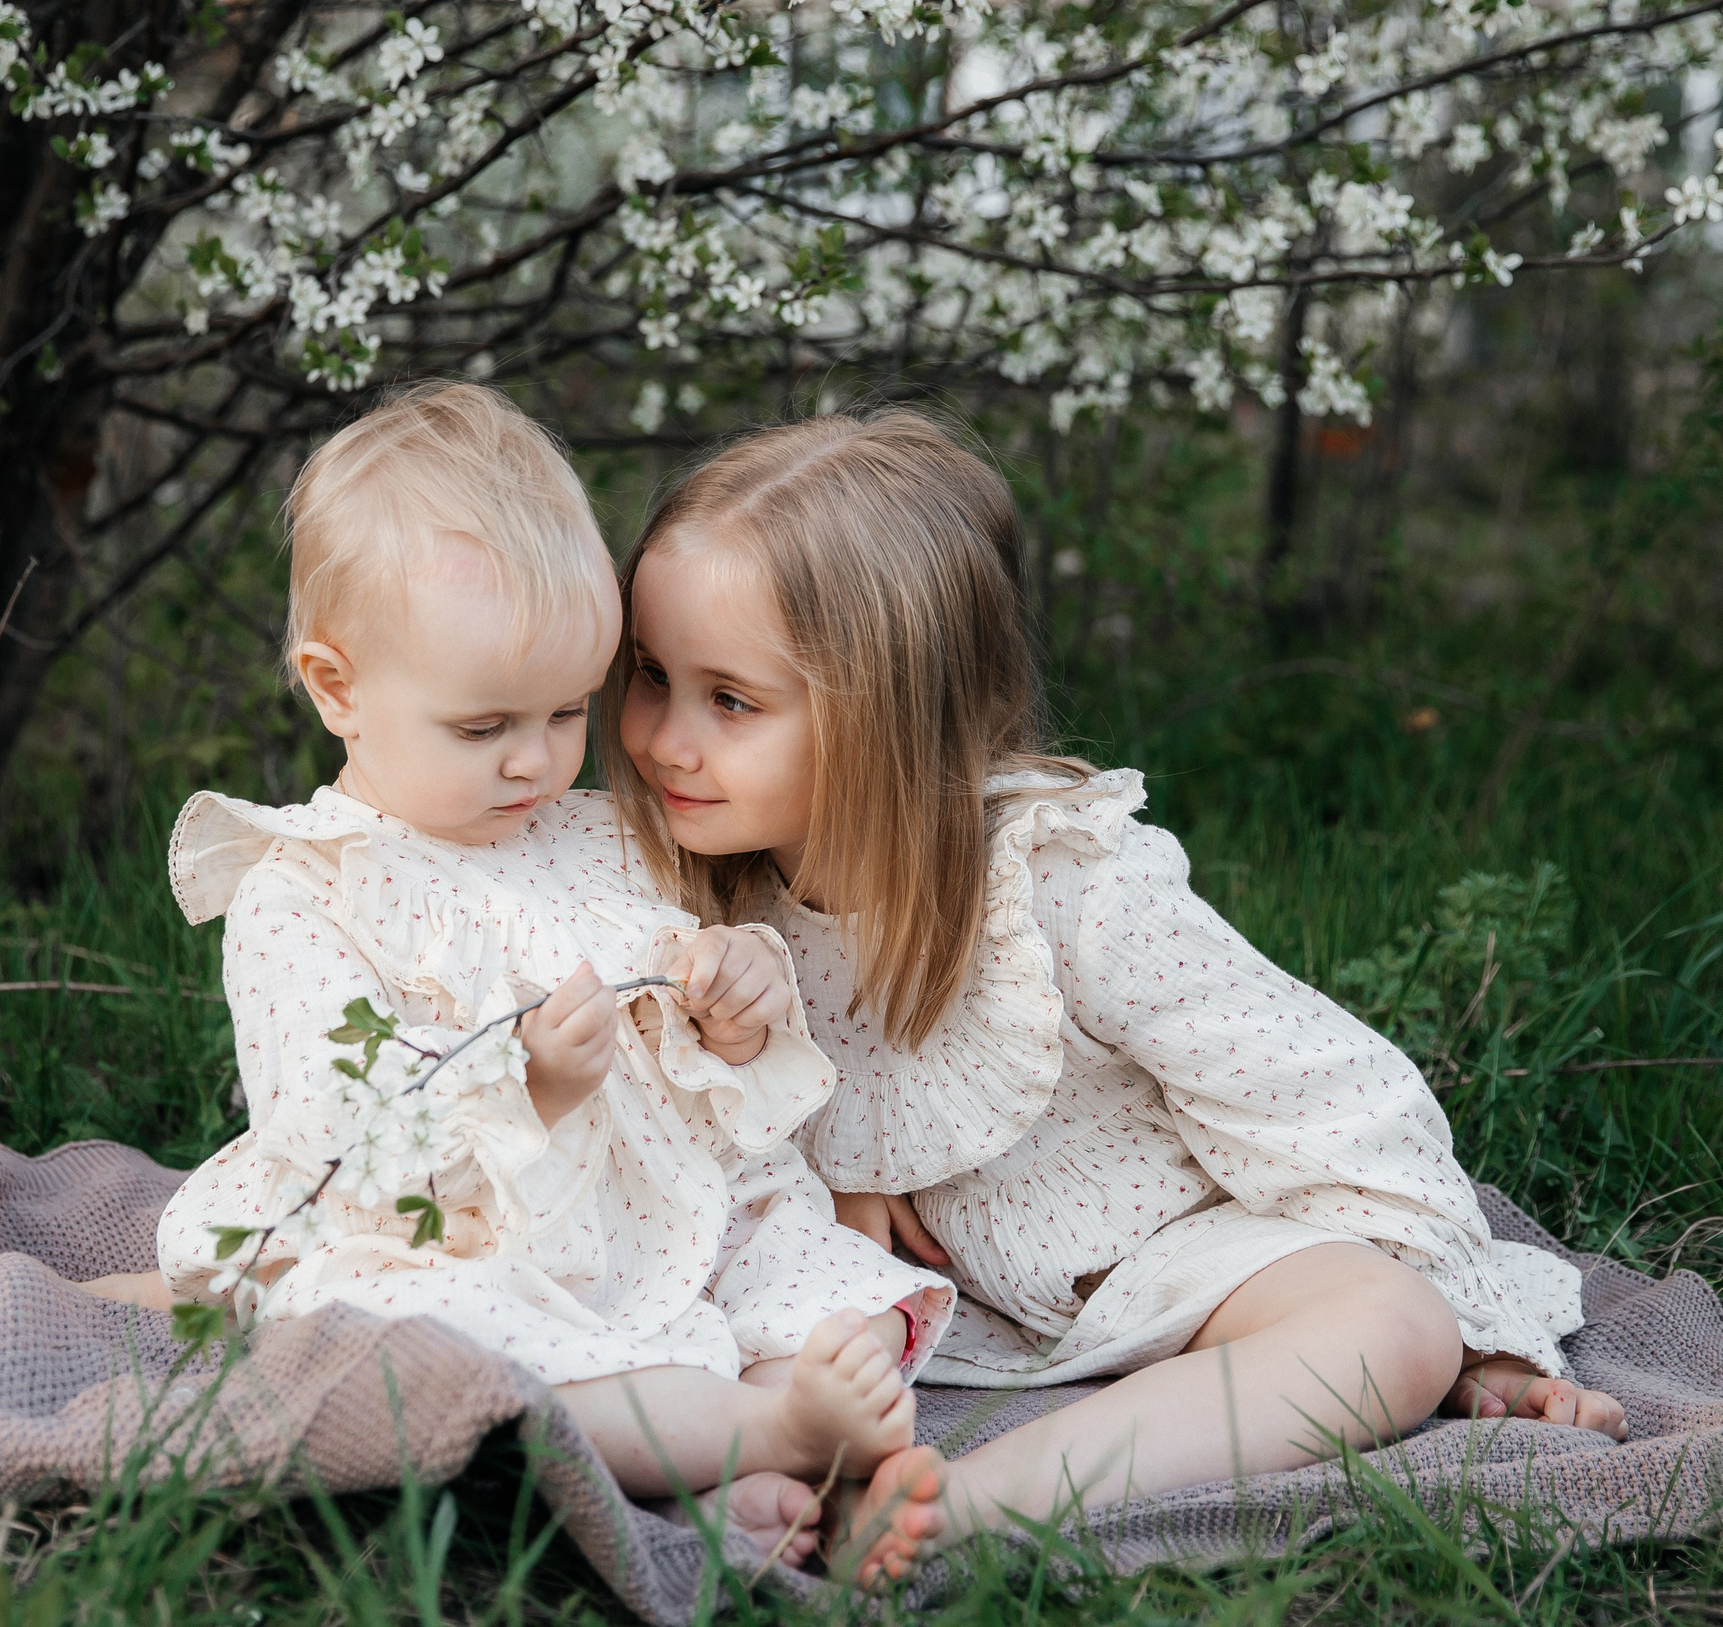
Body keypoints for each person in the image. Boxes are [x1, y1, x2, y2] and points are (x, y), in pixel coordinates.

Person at [602, 409, 1627, 1571]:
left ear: (894, 710)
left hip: (1179, 1261)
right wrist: (832, 1182)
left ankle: (975, 1497)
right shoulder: (690, 880)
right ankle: (796, 1491)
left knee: (1393, 1329)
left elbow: (1332, 1100)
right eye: (649, 676)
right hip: (936, 1314)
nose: (664, 740)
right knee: (689, 1311)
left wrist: (1480, 1333)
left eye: (728, 700)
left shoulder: (1064, 890)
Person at [150, 382, 957, 1575]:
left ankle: (794, 1473)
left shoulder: (601, 834)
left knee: (793, 1261)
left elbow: (703, 1005)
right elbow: (326, 1122)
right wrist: (516, 1090)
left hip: (670, 1198)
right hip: (477, 1235)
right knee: (441, 1345)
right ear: (336, 687)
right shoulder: (304, 892)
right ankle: (768, 1435)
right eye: (483, 728)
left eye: (569, 710)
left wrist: (740, 997)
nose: (536, 759)